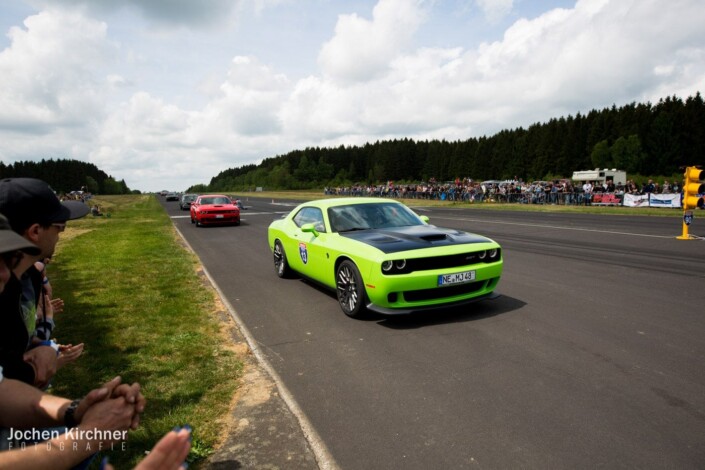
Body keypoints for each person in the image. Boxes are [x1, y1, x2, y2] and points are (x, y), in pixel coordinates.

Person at [0, 178, 89, 388]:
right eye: (59, 227)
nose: (61, 234)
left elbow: (16, 345)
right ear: (35, 232)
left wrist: (43, 345)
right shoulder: (4, 291)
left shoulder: (28, 278)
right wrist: (40, 367)